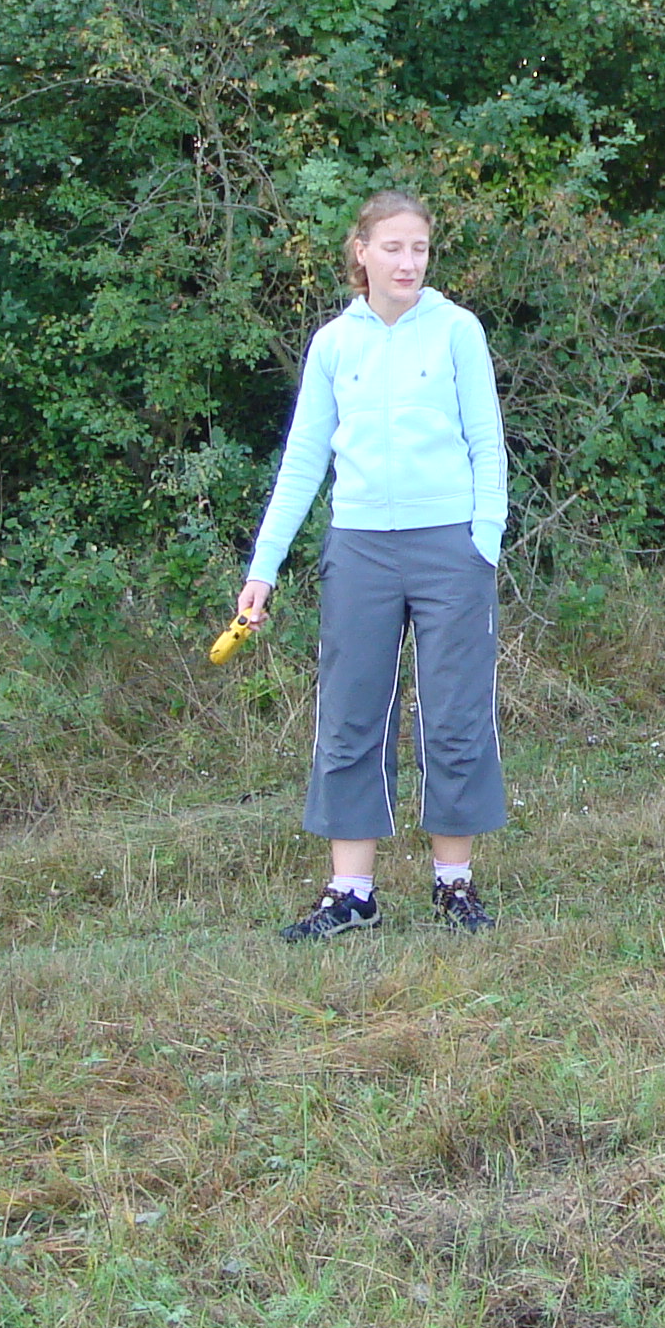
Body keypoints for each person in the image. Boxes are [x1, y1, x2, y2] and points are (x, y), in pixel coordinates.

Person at [236, 189, 510, 938]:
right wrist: (263, 568)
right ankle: (352, 893)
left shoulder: (457, 330)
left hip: (450, 548)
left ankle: (454, 885)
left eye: (419, 247)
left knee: (454, 716)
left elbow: (487, 442)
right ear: (362, 251)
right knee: (351, 715)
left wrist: (483, 540)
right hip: (358, 550)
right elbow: (302, 462)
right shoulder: (334, 344)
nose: (407, 262)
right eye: (393, 247)